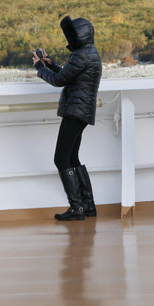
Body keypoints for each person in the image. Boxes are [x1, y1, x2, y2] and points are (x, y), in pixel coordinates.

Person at [33, 16, 102, 221]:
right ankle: (87, 206)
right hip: (82, 111)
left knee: (61, 158)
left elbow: (58, 80)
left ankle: (77, 208)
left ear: (78, 36)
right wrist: (51, 64)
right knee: (72, 158)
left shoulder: (81, 55)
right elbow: (67, 74)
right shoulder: (89, 53)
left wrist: (40, 68)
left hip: (75, 111)